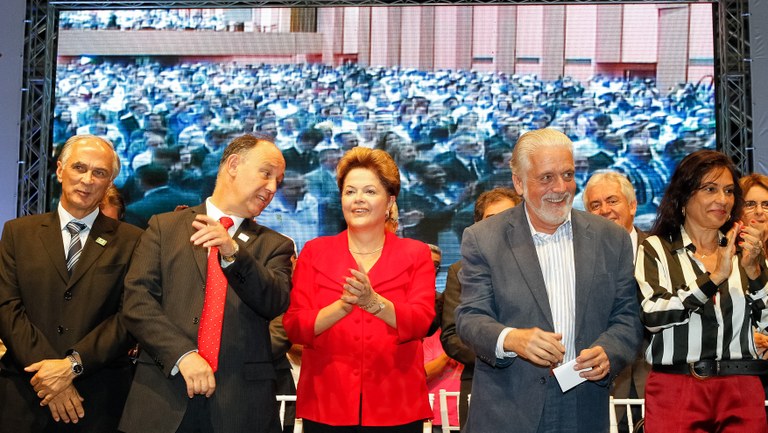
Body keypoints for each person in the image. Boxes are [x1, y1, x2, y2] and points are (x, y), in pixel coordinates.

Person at [455, 128, 642, 433]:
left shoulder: (612, 239)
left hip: (584, 406)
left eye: (568, 175)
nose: (561, 188)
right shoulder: (483, 238)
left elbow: (627, 318)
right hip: (507, 409)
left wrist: (609, 351)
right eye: (546, 178)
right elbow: (469, 318)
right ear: (519, 183)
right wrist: (512, 339)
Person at [118, 134, 294, 433]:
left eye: (278, 180)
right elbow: (137, 302)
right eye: (266, 173)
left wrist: (233, 253)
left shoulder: (276, 245)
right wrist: (183, 355)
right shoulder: (165, 227)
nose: (272, 188)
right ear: (234, 165)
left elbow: (275, 302)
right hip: (163, 397)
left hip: (241, 407)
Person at [283, 147, 435, 432]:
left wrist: (373, 301)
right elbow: (295, 326)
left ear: (390, 200)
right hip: (326, 403)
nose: (358, 200)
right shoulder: (315, 252)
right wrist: (342, 306)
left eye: (369, 191)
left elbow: (420, 322)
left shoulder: (416, 254)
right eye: (350, 191)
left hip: (397, 404)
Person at [0, 134, 143, 432]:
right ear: (60, 170)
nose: (87, 179)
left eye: (99, 172)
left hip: (98, 399)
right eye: (79, 167)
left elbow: (130, 316)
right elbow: (8, 308)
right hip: (27, 394)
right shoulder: (17, 233)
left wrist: (72, 366)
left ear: (110, 182)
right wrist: (53, 379)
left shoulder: (133, 241)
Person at [636, 150, 768, 432]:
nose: (723, 200)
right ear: (684, 196)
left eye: (729, 191)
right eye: (710, 189)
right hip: (677, 387)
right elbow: (653, 315)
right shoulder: (656, 249)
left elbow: (767, 323)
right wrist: (713, 278)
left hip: (742, 388)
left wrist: (755, 273)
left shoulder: (747, 251)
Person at [440, 187, 521, 431]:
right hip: (480, 384)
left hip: (536, 384)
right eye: (491, 220)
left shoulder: (542, 268)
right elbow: (453, 336)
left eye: (509, 217)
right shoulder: (459, 272)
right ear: (477, 225)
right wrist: (505, 354)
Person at [582, 170, 649, 432]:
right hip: (602, 383)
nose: (605, 210)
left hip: (655, 380)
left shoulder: (660, 249)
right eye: (595, 205)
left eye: (612, 201)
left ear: (632, 206)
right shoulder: (578, 261)